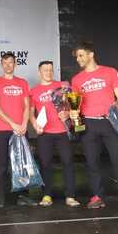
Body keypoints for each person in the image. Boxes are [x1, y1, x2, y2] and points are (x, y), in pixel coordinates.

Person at [70, 42, 118, 210]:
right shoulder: (76, 79)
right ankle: (97, 196)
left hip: (110, 122)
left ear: (91, 54)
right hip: (88, 124)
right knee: (92, 162)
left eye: (81, 55)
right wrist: (74, 114)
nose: (78, 59)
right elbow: (75, 106)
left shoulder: (110, 72)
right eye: (77, 57)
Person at [29, 60, 80, 207]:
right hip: (45, 132)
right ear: (39, 72)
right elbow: (31, 113)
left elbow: (74, 105)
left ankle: (70, 196)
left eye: (51, 70)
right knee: (45, 163)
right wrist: (34, 124)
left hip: (63, 131)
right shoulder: (34, 90)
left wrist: (69, 113)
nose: (49, 72)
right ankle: (46, 195)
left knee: (68, 162)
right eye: (45, 70)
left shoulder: (63, 86)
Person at [0, 52, 35, 208]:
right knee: (2, 165)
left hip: (21, 129)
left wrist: (23, 124)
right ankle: (2, 197)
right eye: (5, 62)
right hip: (3, 130)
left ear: (15, 64)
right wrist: (13, 124)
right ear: (2, 64)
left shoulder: (22, 82)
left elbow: (27, 106)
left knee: (22, 164)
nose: (8, 65)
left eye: (11, 62)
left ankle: (22, 196)